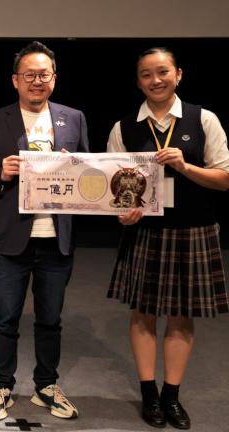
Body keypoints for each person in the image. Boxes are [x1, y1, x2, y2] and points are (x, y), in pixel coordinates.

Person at [106, 47, 229, 430]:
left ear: (179, 75)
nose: (155, 80)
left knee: (181, 315)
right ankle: (149, 394)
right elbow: (114, 190)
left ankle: (171, 396)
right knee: (143, 314)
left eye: (162, 72)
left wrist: (185, 165)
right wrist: (124, 213)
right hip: (146, 232)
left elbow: (224, 178)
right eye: (146, 74)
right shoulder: (124, 127)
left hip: (193, 230)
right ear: (138, 81)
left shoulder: (203, 119)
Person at [0, 41, 88, 421]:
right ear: (15, 80)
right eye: (29, 75)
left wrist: (76, 169)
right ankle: (1, 385)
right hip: (11, 238)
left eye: (44, 74)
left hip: (57, 237)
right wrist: (1, 173)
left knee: (50, 319)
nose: (37, 81)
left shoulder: (74, 118)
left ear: (54, 78)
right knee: (6, 316)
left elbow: (89, 172)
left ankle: (46, 385)